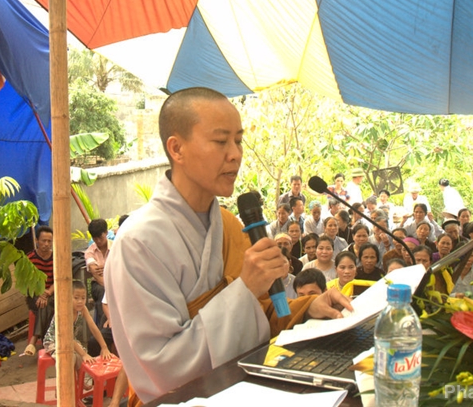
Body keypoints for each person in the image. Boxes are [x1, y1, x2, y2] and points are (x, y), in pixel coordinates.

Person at [105, 88, 351, 403]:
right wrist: (245, 287)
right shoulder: (138, 243)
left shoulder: (228, 224)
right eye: (221, 141)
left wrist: (306, 307)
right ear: (177, 148)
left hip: (245, 388)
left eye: (238, 140)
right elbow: (166, 369)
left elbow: (254, 313)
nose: (235, 154)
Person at [43, 280, 111, 374]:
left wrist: (104, 347)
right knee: (70, 358)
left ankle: (79, 380)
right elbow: (67, 337)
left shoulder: (83, 309)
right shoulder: (64, 312)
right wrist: (83, 354)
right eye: (76, 298)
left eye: (83, 298)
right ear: (68, 297)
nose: (80, 301)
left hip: (71, 340)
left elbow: (93, 327)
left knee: (83, 354)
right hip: (54, 341)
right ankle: (67, 382)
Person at [24, 226, 54, 356]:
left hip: (51, 293)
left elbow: (58, 280)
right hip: (34, 294)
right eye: (43, 241)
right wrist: (40, 293)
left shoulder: (56, 257)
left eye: (49, 241)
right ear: (37, 240)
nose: (46, 244)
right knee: (44, 305)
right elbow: (27, 283)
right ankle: (47, 343)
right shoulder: (29, 258)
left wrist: (47, 293)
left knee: (46, 304)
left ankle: (33, 341)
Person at [85, 218, 112, 327]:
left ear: (106, 233)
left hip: (116, 280)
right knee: (102, 292)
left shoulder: (116, 247)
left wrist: (105, 267)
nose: (98, 241)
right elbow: (96, 274)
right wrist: (110, 286)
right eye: (95, 238)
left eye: (100, 237)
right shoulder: (90, 252)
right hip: (99, 284)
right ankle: (104, 327)